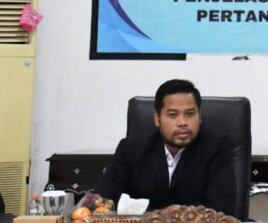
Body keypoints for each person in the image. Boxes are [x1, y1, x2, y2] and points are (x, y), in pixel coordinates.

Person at [95, 79, 237, 215]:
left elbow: (223, 208)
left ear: (200, 117)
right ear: (157, 119)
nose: (182, 122)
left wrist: (148, 211)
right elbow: (103, 201)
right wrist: (160, 216)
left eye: (190, 114)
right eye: (173, 115)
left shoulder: (217, 147)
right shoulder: (131, 149)